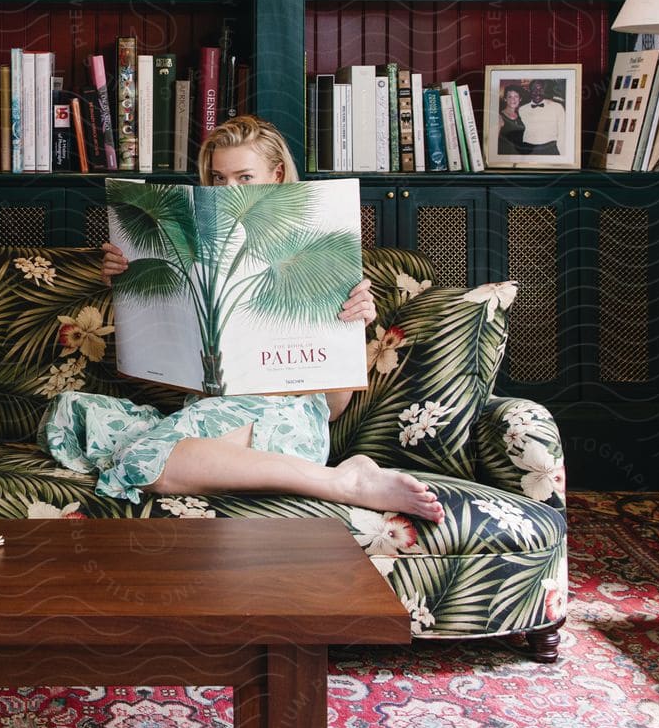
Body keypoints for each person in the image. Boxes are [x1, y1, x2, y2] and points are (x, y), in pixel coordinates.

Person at [37, 115, 442, 521]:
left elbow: (333, 408)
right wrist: (127, 282)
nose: (229, 191)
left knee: (140, 461)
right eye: (218, 179)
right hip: (207, 412)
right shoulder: (191, 251)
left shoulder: (314, 252)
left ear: (277, 173)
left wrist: (354, 327)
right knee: (70, 414)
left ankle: (343, 481)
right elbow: (160, 363)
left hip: (285, 418)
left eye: (244, 178)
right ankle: (314, 476)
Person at [518, 79, 566, 156]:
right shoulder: (522, 109)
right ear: (529, 91)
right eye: (534, 89)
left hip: (551, 149)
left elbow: (562, 133)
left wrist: (563, 155)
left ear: (545, 90)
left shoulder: (557, 107)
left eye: (541, 89)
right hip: (528, 149)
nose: (537, 92)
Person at [496, 85, 528, 157]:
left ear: (520, 99)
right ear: (505, 99)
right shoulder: (499, 117)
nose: (513, 100)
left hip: (518, 156)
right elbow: (493, 143)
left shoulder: (520, 115)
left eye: (516, 96)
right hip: (504, 157)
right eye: (509, 97)